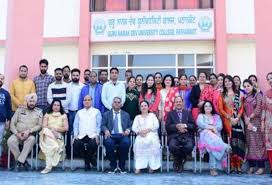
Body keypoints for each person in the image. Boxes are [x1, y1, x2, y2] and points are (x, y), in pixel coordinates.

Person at [7, 93, 42, 171]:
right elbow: (12, 123)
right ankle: (23, 162)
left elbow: (39, 125)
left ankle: (18, 162)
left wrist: (29, 131)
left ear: (36, 103)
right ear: (26, 101)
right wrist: (16, 133)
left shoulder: (39, 112)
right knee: (10, 141)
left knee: (32, 139)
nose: (32, 103)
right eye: (30, 101)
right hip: (17, 134)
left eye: (33, 101)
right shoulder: (19, 110)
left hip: (29, 135)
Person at [218, 75, 245, 174]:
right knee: (231, 143)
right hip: (228, 122)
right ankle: (232, 165)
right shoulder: (222, 94)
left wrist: (237, 117)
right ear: (224, 84)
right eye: (226, 81)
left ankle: (239, 166)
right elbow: (220, 109)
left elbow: (242, 107)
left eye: (229, 81)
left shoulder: (239, 94)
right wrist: (230, 118)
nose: (228, 83)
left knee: (240, 143)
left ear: (232, 82)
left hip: (238, 121)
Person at [197, 101, 230, 176]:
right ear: (203, 108)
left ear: (212, 107)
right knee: (208, 135)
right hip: (204, 137)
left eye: (209, 106)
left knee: (212, 147)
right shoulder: (201, 116)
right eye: (206, 106)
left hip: (215, 137)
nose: (208, 107)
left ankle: (213, 169)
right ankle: (224, 146)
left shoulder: (216, 116)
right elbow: (200, 124)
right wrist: (212, 127)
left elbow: (220, 127)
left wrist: (210, 128)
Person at [101, 97, 131, 173]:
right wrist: (106, 130)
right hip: (111, 135)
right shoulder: (106, 114)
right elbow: (102, 125)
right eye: (115, 102)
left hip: (122, 135)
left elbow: (130, 126)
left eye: (118, 102)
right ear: (112, 104)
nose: (117, 104)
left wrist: (128, 130)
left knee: (126, 143)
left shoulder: (126, 114)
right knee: (108, 143)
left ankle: (122, 166)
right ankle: (113, 165)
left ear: (121, 104)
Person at [166, 96, 195, 173]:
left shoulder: (188, 113)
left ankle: (178, 159)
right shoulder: (170, 114)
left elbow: (193, 125)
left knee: (189, 146)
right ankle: (180, 159)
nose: (178, 103)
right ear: (174, 103)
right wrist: (177, 126)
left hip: (186, 135)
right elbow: (167, 127)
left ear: (183, 103)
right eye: (177, 102)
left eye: (180, 101)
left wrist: (185, 126)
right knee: (172, 146)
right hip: (174, 136)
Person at [243, 79, 266, 175]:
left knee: (258, 144)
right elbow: (242, 109)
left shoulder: (258, 95)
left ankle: (261, 167)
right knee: (250, 143)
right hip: (248, 124)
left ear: (252, 86)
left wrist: (250, 117)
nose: (246, 88)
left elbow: (259, 108)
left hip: (256, 122)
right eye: (244, 86)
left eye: (248, 85)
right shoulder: (244, 97)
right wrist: (246, 119)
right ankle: (252, 166)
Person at [39, 100, 68, 174]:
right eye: (54, 105)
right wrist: (52, 130)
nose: (56, 107)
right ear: (52, 106)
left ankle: (48, 167)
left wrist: (55, 130)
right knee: (45, 130)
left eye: (58, 105)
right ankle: (56, 147)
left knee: (49, 145)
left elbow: (66, 128)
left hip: (58, 135)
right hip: (47, 135)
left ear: (60, 106)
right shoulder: (47, 115)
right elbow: (44, 126)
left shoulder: (63, 115)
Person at [73, 95, 101, 171]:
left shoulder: (96, 111)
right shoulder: (79, 112)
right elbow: (75, 125)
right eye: (85, 100)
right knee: (76, 144)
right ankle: (90, 158)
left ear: (91, 101)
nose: (87, 101)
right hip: (81, 135)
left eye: (89, 100)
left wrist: (97, 135)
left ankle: (86, 163)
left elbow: (99, 125)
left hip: (92, 135)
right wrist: (75, 135)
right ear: (83, 102)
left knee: (92, 144)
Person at [132, 100, 161, 174]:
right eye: (142, 106)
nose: (144, 107)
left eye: (145, 106)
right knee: (139, 143)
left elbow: (157, 125)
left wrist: (148, 129)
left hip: (151, 133)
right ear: (140, 108)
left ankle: (152, 166)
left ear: (148, 107)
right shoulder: (137, 117)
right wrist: (139, 132)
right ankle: (138, 167)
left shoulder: (152, 116)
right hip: (141, 135)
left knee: (152, 142)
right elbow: (134, 127)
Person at [67, 68, 84, 156]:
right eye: (73, 75)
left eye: (77, 75)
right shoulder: (68, 86)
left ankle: (78, 152)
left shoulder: (82, 86)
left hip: (80, 112)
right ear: (71, 76)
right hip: (70, 112)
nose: (75, 77)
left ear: (79, 76)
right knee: (70, 131)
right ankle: (70, 152)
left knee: (79, 131)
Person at [262, 72, 272, 177]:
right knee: (270, 147)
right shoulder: (266, 93)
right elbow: (264, 109)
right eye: (268, 79)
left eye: (271, 78)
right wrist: (262, 123)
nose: (270, 80)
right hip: (269, 123)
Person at [0, 74, 12, 158]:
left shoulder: (6, 93)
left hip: (2, 121)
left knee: (0, 140)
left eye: (2, 79)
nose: (0, 80)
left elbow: (9, 107)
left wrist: (8, 119)